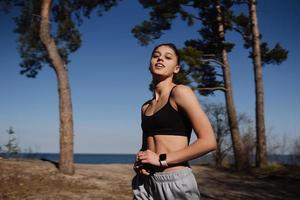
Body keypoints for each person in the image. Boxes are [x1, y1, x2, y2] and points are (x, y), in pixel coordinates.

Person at [132, 43, 217, 200]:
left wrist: (161, 160)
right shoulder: (145, 107)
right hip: (146, 183)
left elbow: (209, 142)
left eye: (167, 57)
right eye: (156, 55)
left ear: (176, 68)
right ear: (149, 65)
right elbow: (146, 146)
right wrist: (141, 162)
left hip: (174, 182)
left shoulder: (180, 92)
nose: (160, 59)